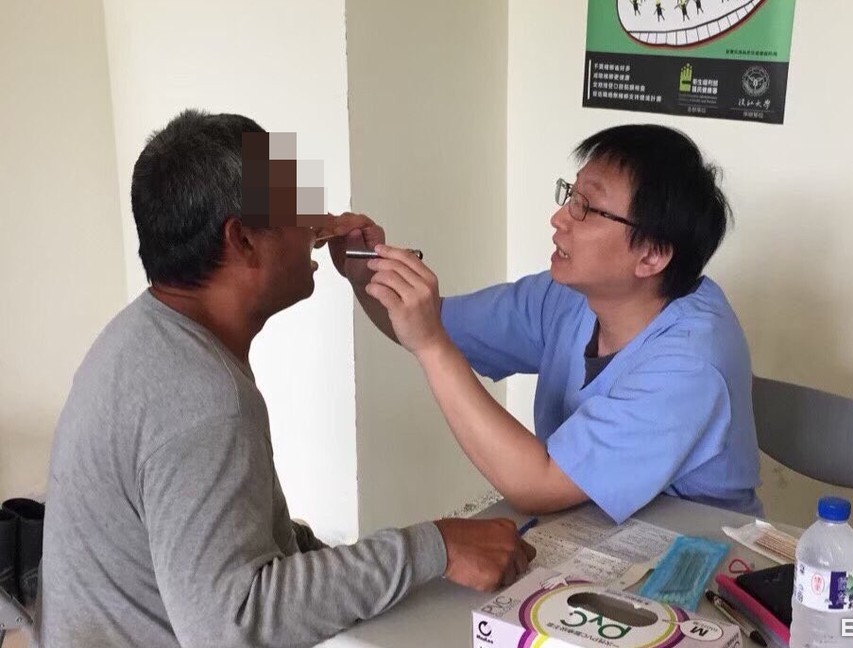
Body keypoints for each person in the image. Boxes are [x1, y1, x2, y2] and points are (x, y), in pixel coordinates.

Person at [37, 109, 533, 648]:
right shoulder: (200, 398)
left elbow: (243, 542)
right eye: (297, 204)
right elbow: (231, 622)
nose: (318, 224)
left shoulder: (144, 337)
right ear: (242, 240)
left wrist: (389, 566)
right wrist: (435, 547)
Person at [336, 124, 762, 525]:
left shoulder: (689, 363)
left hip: (694, 555)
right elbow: (428, 323)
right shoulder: (567, 297)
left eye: (586, 207)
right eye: (570, 195)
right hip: (583, 530)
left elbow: (537, 485)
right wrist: (365, 277)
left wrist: (431, 346)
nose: (560, 218)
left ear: (651, 255)